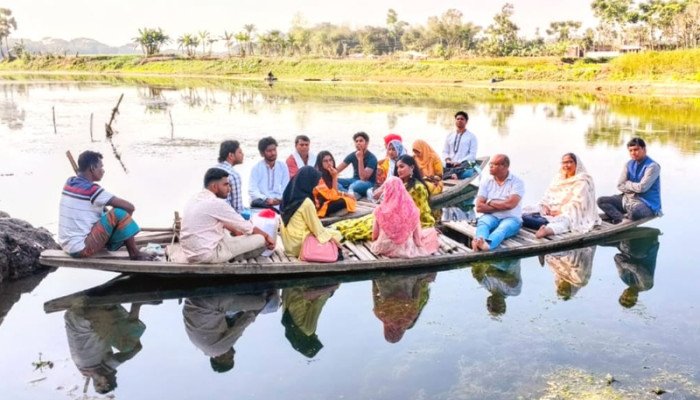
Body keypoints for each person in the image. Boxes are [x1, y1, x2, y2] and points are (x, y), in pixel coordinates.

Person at [58, 150, 150, 260]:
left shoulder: (70, 182)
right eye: (101, 167)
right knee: (120, 213)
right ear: (92, 168)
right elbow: (130, 207)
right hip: (80, 249)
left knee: (106, 213)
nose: (103, 170)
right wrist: (121, 229)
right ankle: (135, 253)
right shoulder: (92, 190)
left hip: (66, 245)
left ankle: (115, 239)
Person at [175, 168, 274, 263]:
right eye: (226, 185)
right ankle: (235, 256)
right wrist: (266, 236)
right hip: (208, 255)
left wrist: (235, 230)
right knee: (261, 240)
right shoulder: (216, 203)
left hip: (191, 253)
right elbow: (247, 226)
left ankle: (232, 252)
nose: (229, 189)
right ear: (214, 187)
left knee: (226, 229)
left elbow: (232, 224)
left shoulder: (194, 198)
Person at [333, 155, 435, 242]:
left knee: (366, 230)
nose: (399, 170)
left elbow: (422, 212)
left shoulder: (418, 188)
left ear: (412, 167)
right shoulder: (399, 183)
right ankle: (333, 231)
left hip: (404, 222)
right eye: (397, 167)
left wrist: (424, 226)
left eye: (402, 167)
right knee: (359, 222)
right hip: (392, 217)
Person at [183, 291, 278, 373]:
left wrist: (262, 305)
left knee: (262, 303)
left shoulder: (218, 349)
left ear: (220, 359)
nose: (233, 354)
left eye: (230, 358)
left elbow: (241, 325)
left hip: (211, 302)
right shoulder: (199, 344)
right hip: (192, 299)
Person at [64, 303, 147, 394]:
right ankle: (112, 306)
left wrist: (133, 338)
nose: (115, 375)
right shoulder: (84, 370)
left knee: (126, 345)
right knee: (120, 338)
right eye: (101, 384)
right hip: (71, 317)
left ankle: (135, 304)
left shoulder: (104, 369)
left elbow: (136, 349)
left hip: (86, 318)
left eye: (98, 385)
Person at [522, 153, 600, 238]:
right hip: (551, 210)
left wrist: (560, 210)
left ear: (577, 164)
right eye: (564, 162)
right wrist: (545, 206)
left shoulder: (583, 180)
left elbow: (578, 203)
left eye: (570, 162)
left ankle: (547, 230)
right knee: (526, 211)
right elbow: (548, 195)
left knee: (566, 219)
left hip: (570, 211)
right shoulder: (558, 178)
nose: (566, 165)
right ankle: (538, 222)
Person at [280, 166, 343, 257]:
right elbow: (316, 228)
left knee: (330, 232)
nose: (316, 184)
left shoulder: (287, 196)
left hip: (288, 244)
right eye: (315, 182)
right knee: (337, 234)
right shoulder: (306, 203)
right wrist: (333, 241)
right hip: (300, 245)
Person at [370, 177, 439, 258]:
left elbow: (374, 235)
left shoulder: (379, 209)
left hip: (384, 248)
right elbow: (417, 240)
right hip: (404, 250)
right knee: (432, 231)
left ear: (387, 191)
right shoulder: (412, 210)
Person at [597, 137, 662, 224]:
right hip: (627, 199)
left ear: (644, 149)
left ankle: (626, 215)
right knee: (601, 201)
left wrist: (627, 183)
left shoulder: (652, 166)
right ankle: (622, 219)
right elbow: (620, 185)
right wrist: (633, 187)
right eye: (630, 150)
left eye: (636, 149)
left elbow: (642, 188)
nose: (633, 153)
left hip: (646, 203)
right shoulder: (628, 164)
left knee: (635, 212)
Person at [472, 154, 524, 252]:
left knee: (503, 228)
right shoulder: (486, 181)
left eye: (494, 164)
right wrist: (503, 205)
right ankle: (479, 241)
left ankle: (487, 245)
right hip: (491, 216)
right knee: (483, 223)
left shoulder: (517, 182)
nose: (490, 166)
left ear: (504, 166)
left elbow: (510, 205)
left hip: (511, 218)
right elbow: (479, 207)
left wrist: (489, 201)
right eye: (490, 164)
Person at [372, 273, 435, 343]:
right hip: (385, 276)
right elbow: (375, 287)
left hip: (408, 275)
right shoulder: (380, 313)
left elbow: (417, 287)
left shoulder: (410, 316)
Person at [281, 284, 338, 358]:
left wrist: (330, 291)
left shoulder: (308, 330)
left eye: (316, 338)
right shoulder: (288, 323)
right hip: (288, 284)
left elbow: (316, 301)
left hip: (301, 284)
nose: (316, 336)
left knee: (335, 285)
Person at [615, 233, 659, 308]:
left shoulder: (624, 279)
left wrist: (624, 263)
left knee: (600, 242)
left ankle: (625, 233)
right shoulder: (646, 285)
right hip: (648, 247)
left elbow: (616, 257)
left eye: (623, 297)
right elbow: (638, 269)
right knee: (634, 253)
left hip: (630, 248)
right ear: (635, 298)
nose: (626, 297)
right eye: (628, 300)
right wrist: (625, 264)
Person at [249, 136, 290, 211]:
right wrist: (266, 199)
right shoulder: (256, 168)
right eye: (269, 151)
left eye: (274, 150)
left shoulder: (282, 166)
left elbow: (286, 187)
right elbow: (252, 190)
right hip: (263, 203)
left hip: (279, 202)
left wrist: (279, 199)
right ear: (262, 153)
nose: (273, 153)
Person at [313, 151, 357, 218]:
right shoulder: (318, 177)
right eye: (325, 161)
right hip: (319, 206)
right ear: (320, 163)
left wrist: (345, 194)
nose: (329, 163)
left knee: (350, 198)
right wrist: (334, 177)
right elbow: (333, 196)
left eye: (330, 160)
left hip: (328, 199)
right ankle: (330, 213)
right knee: (343, 201)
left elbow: (331, 192)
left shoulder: (328, 174)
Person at [336, 131, 378, 199]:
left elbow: (363, 178)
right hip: (353, 180)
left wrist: (360, 159)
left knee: (355, 185)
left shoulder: (372, 158)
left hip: (367, 183)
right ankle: (349, 193)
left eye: (361, 141)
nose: (358, 143)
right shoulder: (352, 155)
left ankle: (349, 193)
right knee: (334, 181)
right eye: (356, 141)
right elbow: (337, 170)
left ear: (366, 143)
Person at [442, 111, 478, 179]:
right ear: (455, 121)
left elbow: (472, 155)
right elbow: (445, 151)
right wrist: (448, 160)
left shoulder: (471, 137)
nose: (459, 120)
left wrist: (459, 162)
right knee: (437, 163)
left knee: (470, 163)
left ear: (466, 121)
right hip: (451, 163)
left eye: (462, 119)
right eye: (457, 119)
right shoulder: (450, 135)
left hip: (463, 164)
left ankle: (449, 173)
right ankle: (452, 172)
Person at [215, 140, 245, 214]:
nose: (243, 154)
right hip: (225, 216)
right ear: (231, 155)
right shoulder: (233, 175)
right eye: (240, 152)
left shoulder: (212, 170)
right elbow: (237, 208)